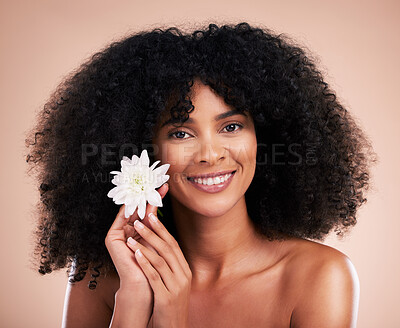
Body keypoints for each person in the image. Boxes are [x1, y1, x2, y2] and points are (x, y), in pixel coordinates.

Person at [25, 22, 377, 327]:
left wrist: (172, 320)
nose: (210, 154)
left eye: (231, 126)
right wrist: (131, 303)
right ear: (145, 148)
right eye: (181, 133)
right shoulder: (100, 275)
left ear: (263, 137)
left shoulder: (319, 278)